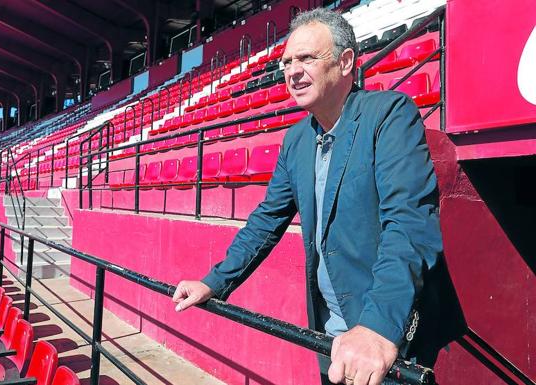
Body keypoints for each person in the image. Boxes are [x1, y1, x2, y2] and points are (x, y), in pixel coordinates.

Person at [173, 7, 465, 385]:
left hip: (386, 338)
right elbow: (266, 220)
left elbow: (409, 223)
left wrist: (377, 328)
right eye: (287, 61)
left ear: (345, 63)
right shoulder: (296, 140)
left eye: (307, 58)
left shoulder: (390, 114)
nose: (292, 71)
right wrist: (214, 282)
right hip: (330, 334)